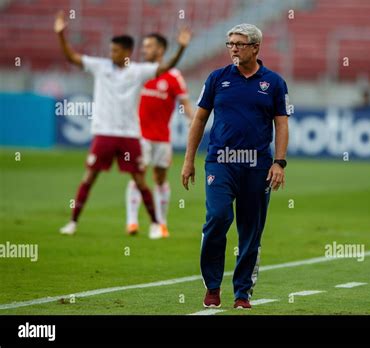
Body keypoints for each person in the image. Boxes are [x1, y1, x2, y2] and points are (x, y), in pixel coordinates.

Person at [53, 11, 191, 238]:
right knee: (90, 177)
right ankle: (73, 222)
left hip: (129, 134)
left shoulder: (138, 71)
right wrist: (61, 35)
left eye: (116, 51)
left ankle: (156, 224)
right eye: (110, 50)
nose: (111, 54)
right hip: (103, 133)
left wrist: (182, 48)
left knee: (140, 180)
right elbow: (72, 58)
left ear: (127, 52)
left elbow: (165, 68)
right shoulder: (101, 66)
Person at [181, 24, 290, 309]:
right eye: (229, 43)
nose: (233, 48)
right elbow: (199, 120)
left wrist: (279, 162)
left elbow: (282, 124)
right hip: (221, 162)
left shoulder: (275, 83)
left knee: (250, 231)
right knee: (217, 218)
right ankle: (212, 286)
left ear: (255, 47)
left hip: (257, 166)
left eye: (239, 44)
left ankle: (242, 293)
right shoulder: (217, 79)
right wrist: (188, 159)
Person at [125, 33, 194, 239]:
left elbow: (185, 103)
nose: (144, 50)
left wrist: (195, 121)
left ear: (160, 50)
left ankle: (161, 224)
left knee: (160, 178)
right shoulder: (138, 73)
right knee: (138, 176)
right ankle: (132, 222)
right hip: (139, 136)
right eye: (144, 46)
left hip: (163, 138)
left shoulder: (173, 76)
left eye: (149, 46)